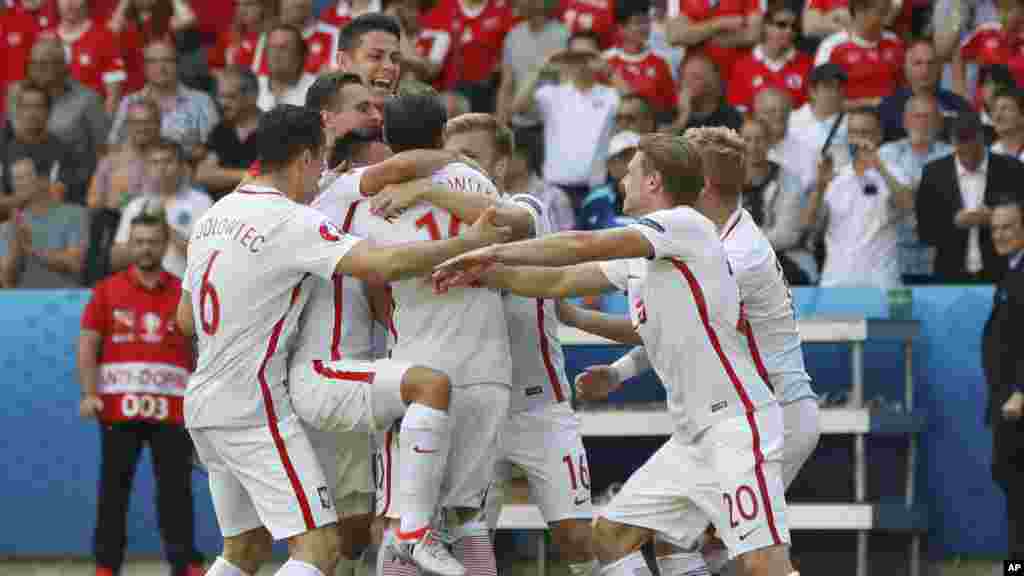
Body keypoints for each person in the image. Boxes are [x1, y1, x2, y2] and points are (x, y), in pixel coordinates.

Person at [432, 132, 798, 576]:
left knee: (764, 564)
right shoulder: (647, 253)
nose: (622, 179)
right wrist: (480, 271)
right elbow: (556, 282)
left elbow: (584, 245)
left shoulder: (685, 225)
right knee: (610, 537)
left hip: (737, 425)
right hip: (694, 435)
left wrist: (492, 250)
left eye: (631, 171)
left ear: (654, 182)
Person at [177, 104, 509, 576]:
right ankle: (414, 533)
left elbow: (186, 318)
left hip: (201, 403)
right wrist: (465, 242)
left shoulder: (213, 216)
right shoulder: (290, 220)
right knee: (318, 550)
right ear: (306, 158)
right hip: (253, 407)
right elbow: (385, 267)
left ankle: (412, 532)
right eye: (321, 161)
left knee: (243, 551)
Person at [560, 127, 819, 573]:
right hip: (746, 412)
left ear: (701, 186)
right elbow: (676, 331)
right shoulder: (713, 238)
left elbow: (667, 328)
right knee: (670, 541)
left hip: (766, 413)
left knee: (760, 559)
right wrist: (618, 371)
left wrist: (581, 323)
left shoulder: (734, 254)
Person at [370, 112, 598, 576]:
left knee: (578, 540)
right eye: (450, 157)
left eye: (469, 156)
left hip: (538, 405)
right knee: (449, 531)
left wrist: (426, 188)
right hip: (469, 396)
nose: (456, 165)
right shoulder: (417, 217)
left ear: (501, 163)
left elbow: (512, 230)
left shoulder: (528, 205)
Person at [353, 99, 523, 576]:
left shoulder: (377, 195)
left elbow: (374, 286)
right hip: (488, 366)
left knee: (405, 522)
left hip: (420, 372)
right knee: (469, 518)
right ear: (440, 133)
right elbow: (513, 231)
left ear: (388, 137)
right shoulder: (479, 182)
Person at [78, 211, 203, 576]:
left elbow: (198, 349)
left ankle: (186, 566)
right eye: (139, 241)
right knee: (113, 495)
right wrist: (89, 393)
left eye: (152, 241)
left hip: (172, 413)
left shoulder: (183, 291)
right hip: (118, 411)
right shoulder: (106, 291)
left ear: (164, 245)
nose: (146, 247)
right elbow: (88, 344)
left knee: (176, 495)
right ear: (129, 245)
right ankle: (106, 567)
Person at [916, 110, 1024, 283]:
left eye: (974, 152)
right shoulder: (934, 173)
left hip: (1002, 273)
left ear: (982, 140)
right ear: (953, 143)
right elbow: (925, 231)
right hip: (950, 275)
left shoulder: (1012, 169)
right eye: (962, 152)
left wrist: (994, 219)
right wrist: (954, 222)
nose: (969, 159)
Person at [984, 201, 1024, 559]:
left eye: (1008, 227)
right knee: (1010, 480)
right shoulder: (1011, 271)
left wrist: (1021, 391)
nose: (999, 234)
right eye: (995, 227)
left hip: (1017, 404)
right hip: (1006, 401)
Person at [111, 139, 212, 277]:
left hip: (183, 290)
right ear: (147, 168)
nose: (161, 167)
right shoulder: (135, 206)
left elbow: (208, 259)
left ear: (182, 166)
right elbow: (115, 261)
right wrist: (140, 241)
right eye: (155, 162)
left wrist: (165, 229)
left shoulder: (202, 203)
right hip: (144, 288)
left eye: (168, 161)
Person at [0, 156, 87, 288]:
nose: (20, 184)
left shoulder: (74, 214)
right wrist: (16, 243)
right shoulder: (8, 226)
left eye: (26, 176)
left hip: (65, 299)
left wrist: (33, 249)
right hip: (25, 301)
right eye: (16, 179)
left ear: (43, 180)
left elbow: (74, 264)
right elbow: (8, 282)